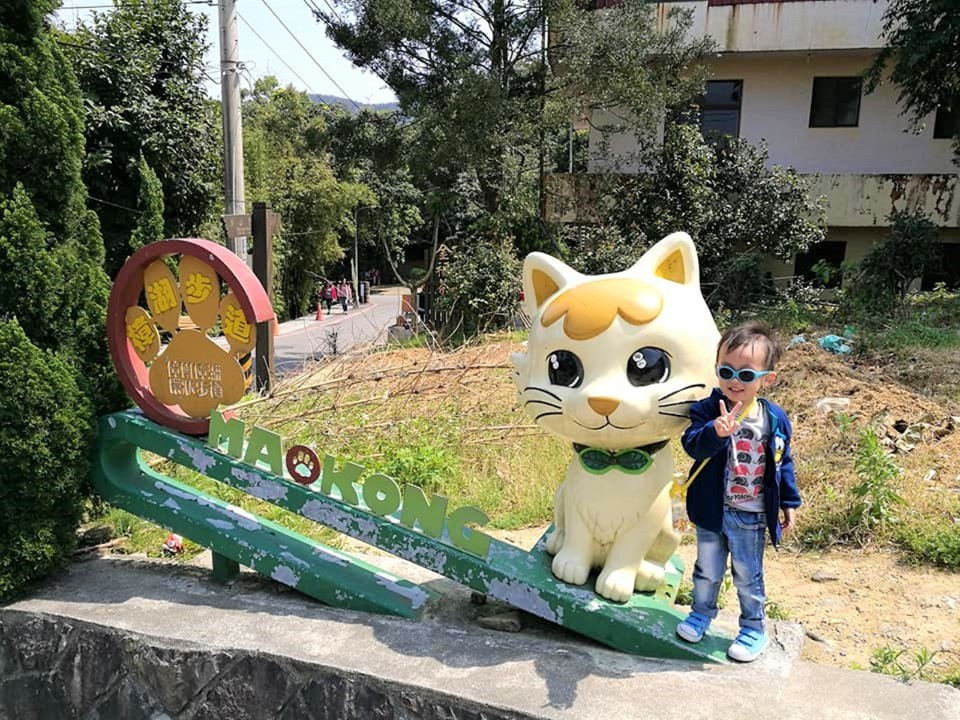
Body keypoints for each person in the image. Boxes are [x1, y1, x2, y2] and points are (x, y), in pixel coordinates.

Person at [675, 321, 801, 662]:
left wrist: (789, 500)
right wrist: (715, 432)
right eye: (726, 371)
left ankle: (753, 628)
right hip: (712, 509)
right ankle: (701, 613)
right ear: (716, 369)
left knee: (747, 573)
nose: (734, 381)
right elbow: (692, 446)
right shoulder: (705, 409)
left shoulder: (774, 418)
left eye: (745, 375)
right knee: (707, 569)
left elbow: (782, 460)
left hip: (752, 513)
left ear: (767, 379)